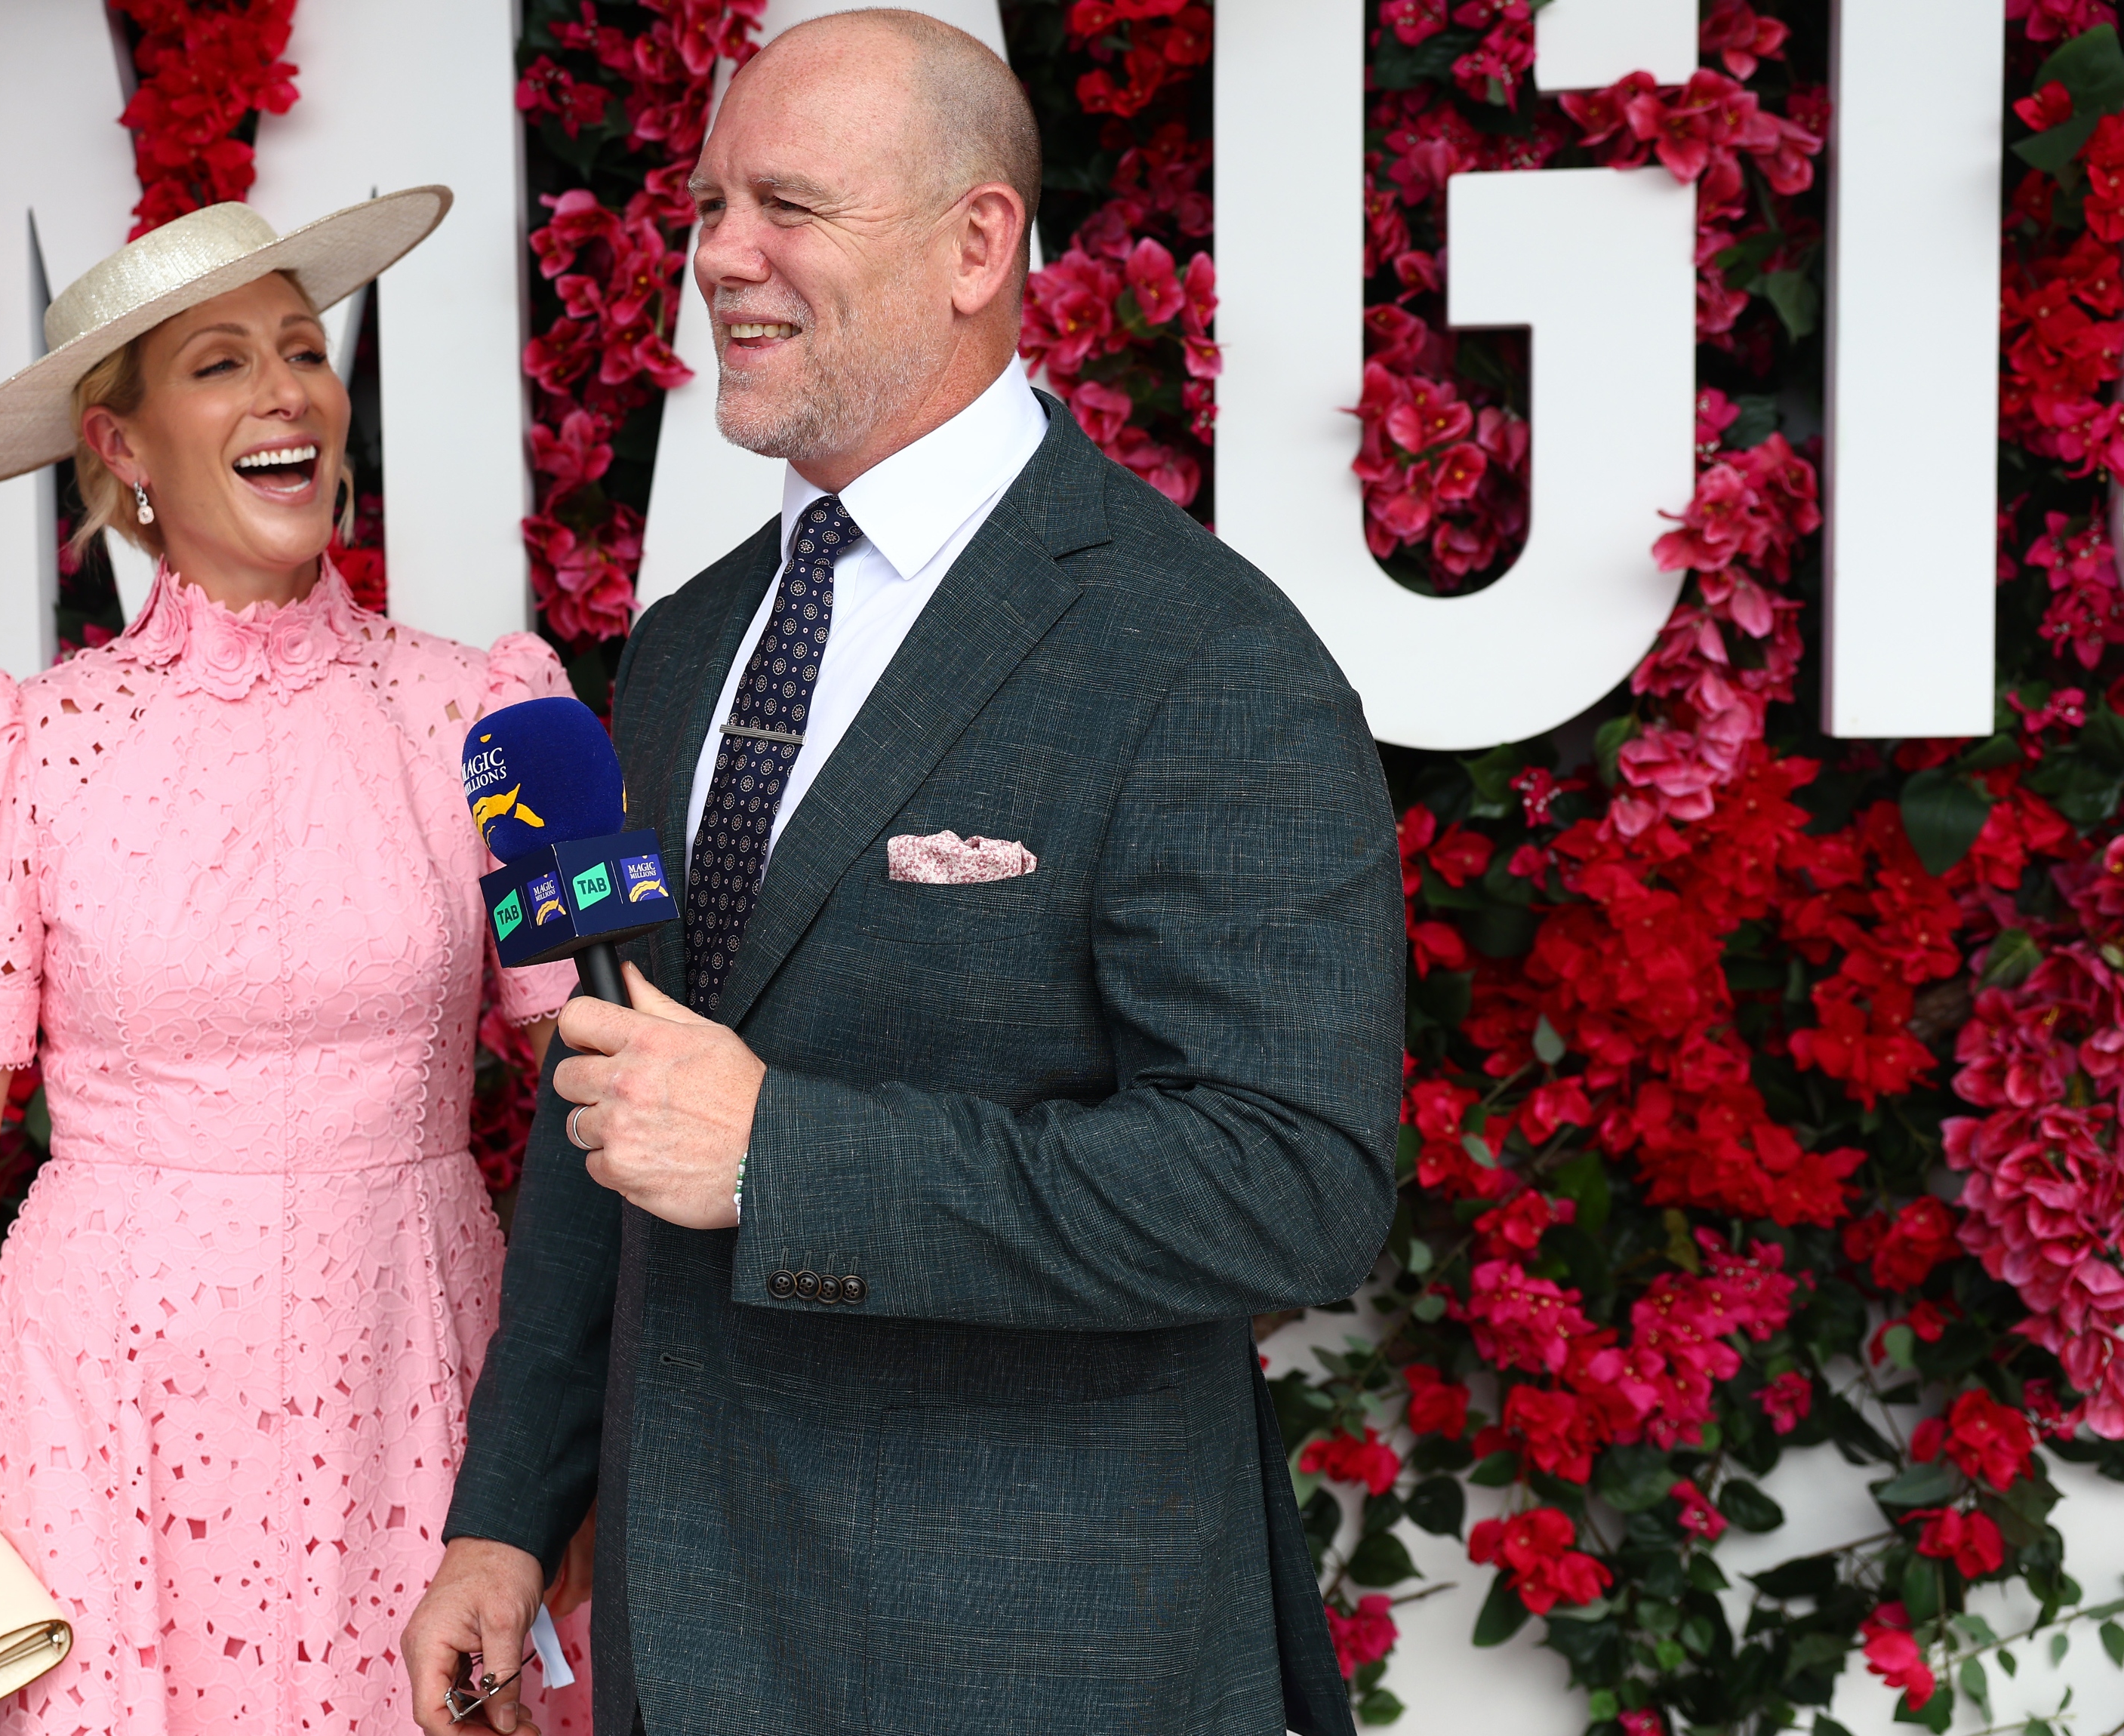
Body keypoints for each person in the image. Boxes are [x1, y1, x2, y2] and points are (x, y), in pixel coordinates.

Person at [403, 12, 1403, 1735]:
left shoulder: (1198, 655)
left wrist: (788, 1154)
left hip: (1030, 1660)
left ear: (976, 243)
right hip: (682, 1637)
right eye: (709, 203)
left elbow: (1292, 1180)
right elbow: (613, 1096)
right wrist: (509, 1513)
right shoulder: (684, 648)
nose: (719, 255)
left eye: (785, 203)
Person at [0, 190, 593, 1734]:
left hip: (420, 1386)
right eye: (220, 364)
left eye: (303, 350)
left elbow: (600, 1098)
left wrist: (583, 1448)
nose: (285, 388)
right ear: (122, 448)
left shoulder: (506, 715)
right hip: (104, 1410)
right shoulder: (19, 745)